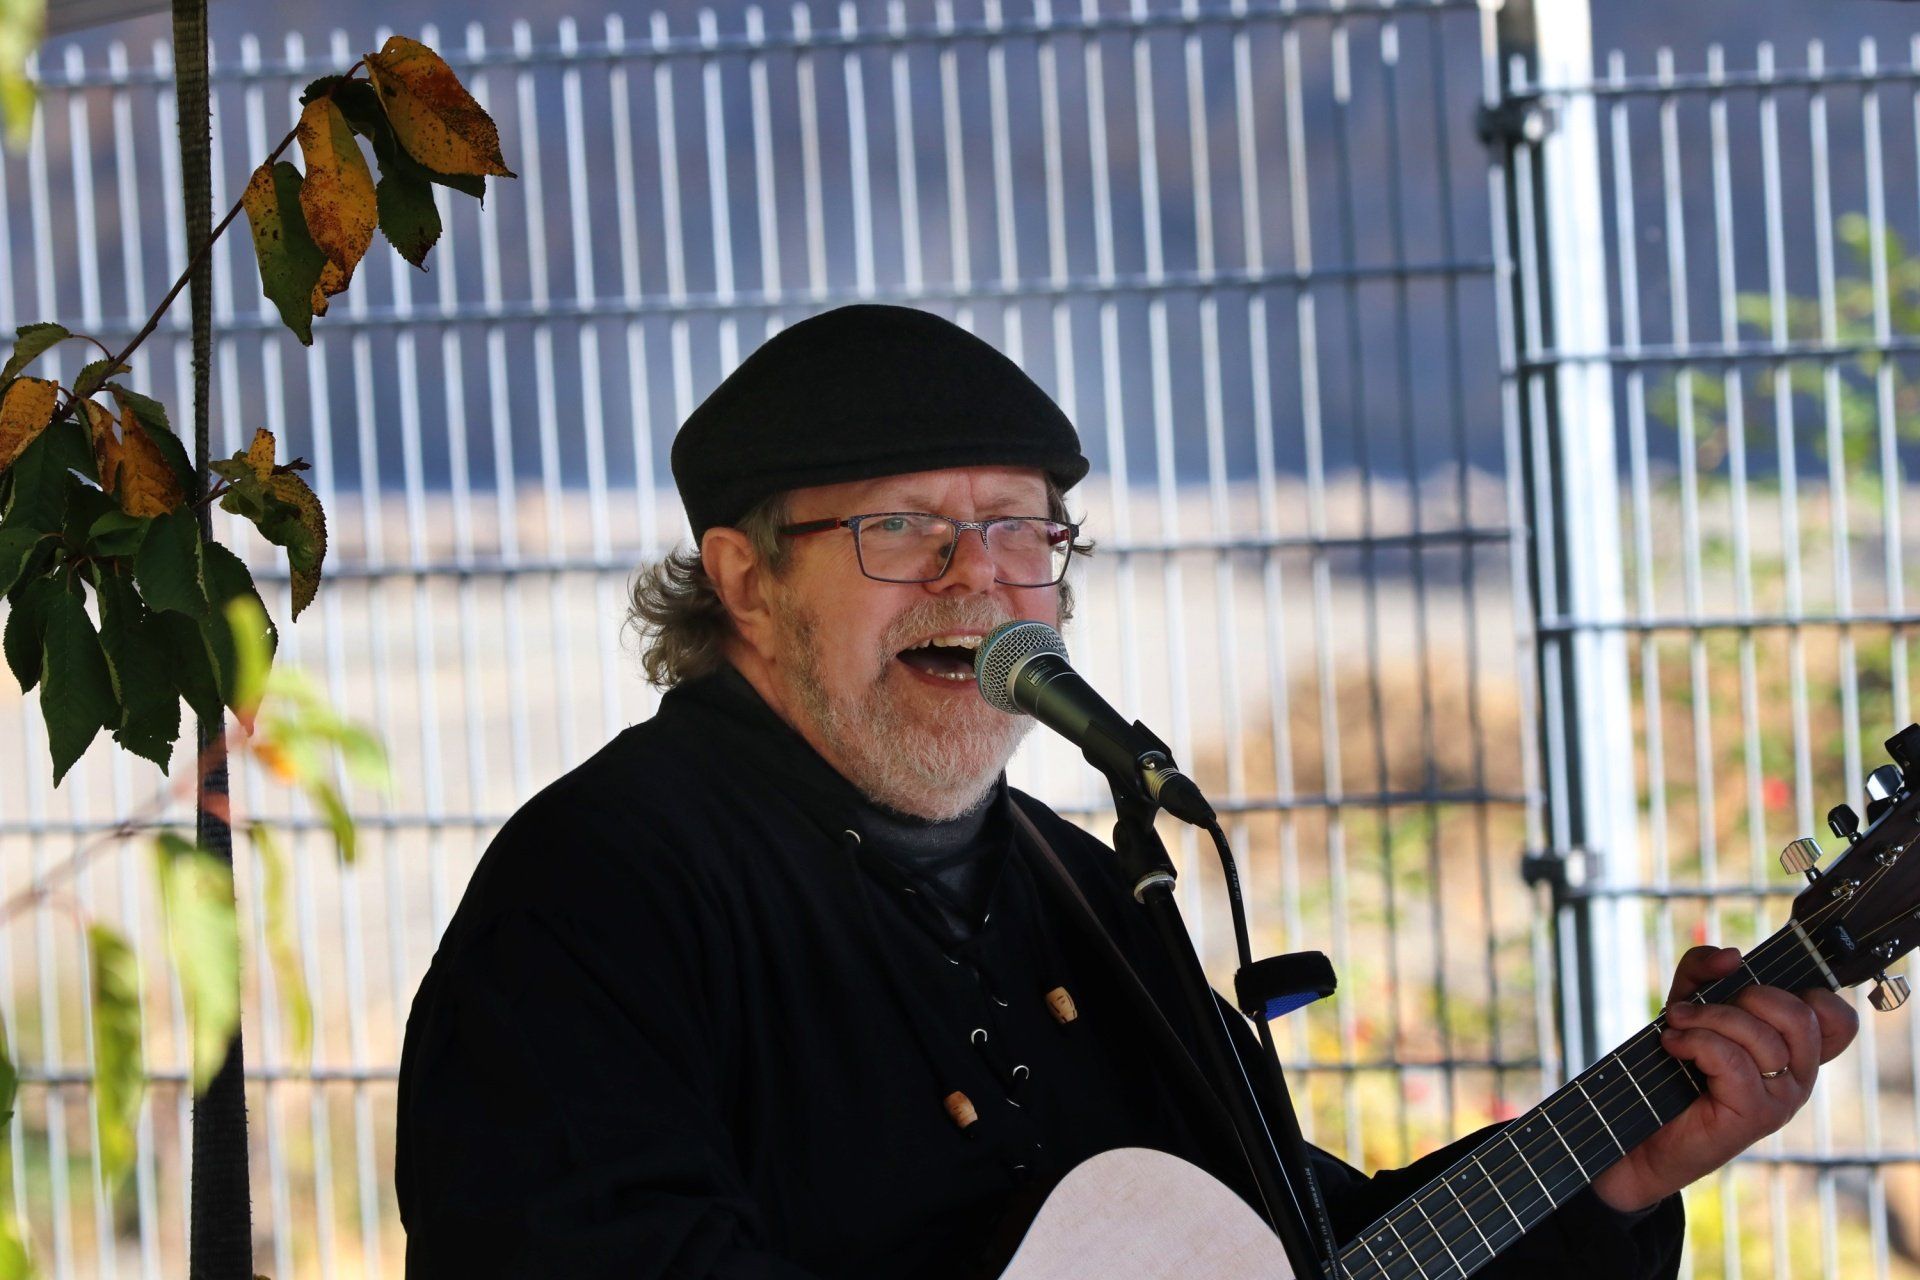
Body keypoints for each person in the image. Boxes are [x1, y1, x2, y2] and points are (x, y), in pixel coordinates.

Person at [394, 304, 1858, 1279]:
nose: (982, 580)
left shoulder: (1093, 889)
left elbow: (1301, 1237)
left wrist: (1620, 1172)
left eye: (1024, 532)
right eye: (906, 529)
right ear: (747, 582)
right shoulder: (599, 894)